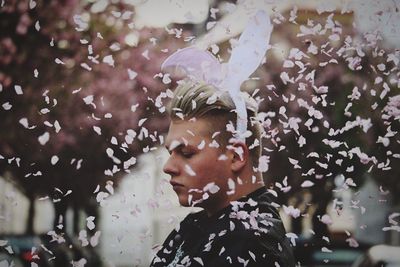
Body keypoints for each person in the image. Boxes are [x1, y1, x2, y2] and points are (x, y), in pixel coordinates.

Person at [149, 81, 295, 266]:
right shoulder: (195, 226)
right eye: (171, 153)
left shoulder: (252, 242)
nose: (168, 167)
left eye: (186, 154)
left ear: (236, 156)